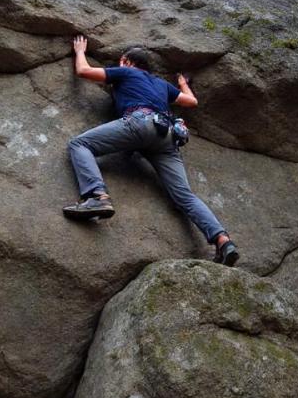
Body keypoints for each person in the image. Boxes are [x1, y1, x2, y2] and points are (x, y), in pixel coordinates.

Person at [63, 35, 240, 267]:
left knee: (79, 144)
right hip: (166, 137)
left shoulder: (126, 72)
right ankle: (223, 240)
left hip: (140, 123)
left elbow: (84, 71)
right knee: (184, 195)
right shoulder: (161, 85)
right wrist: (182, 83)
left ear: (126, 62)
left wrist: (79, 51)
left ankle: (97, 197)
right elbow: (191, 101)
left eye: (121, 61)